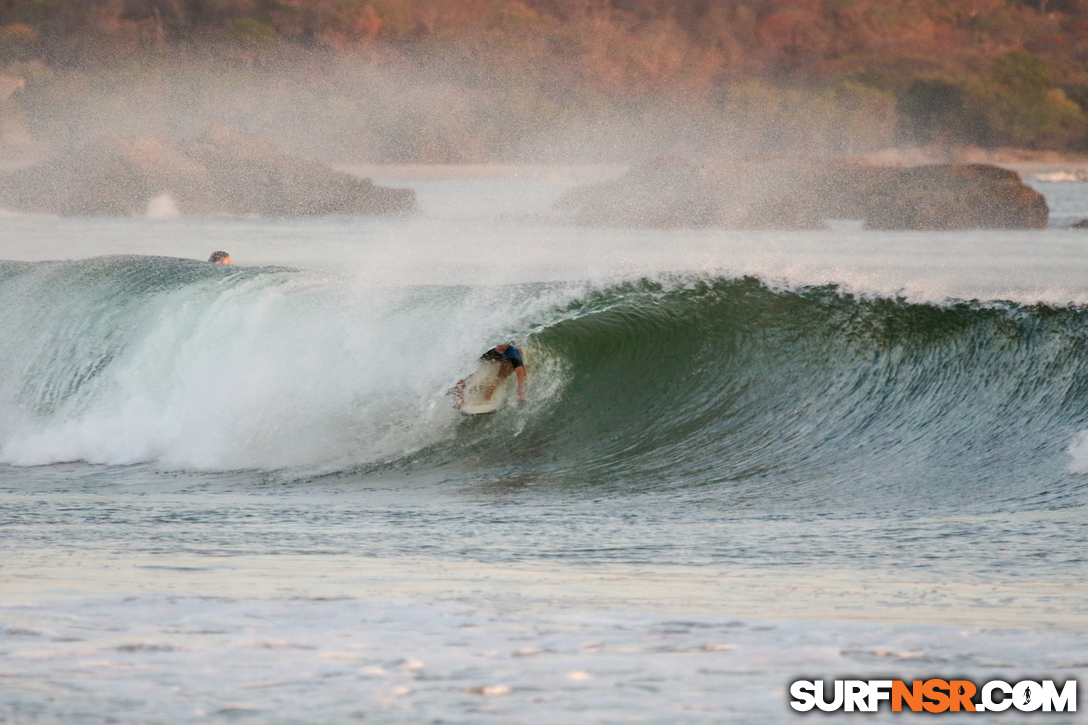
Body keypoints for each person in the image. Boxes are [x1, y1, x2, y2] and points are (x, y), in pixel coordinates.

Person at [450, 342, 527, 408]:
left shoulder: (511, 351)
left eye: (505, 343)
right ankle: (459, 399)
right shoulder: (482, 348)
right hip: (489, 353)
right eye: (499, 343)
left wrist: (520, 392)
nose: (503, 345)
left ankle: (489, 393)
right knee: (463, 379)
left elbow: (521, 372)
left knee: (510, 364)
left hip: (507, 358)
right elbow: (463, 368)